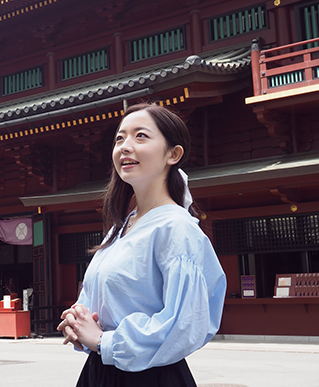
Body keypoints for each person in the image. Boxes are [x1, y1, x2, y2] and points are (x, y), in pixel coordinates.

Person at [57, 103, 226, 387]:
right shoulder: (120, 228)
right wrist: (78, 317)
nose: (125, 146)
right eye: (120, 138)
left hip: (150, 377)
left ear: (173, 154)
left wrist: (103, 341)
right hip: (100, 371)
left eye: (141, 136)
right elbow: (101, 301)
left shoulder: (177, 228)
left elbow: (183, 323)